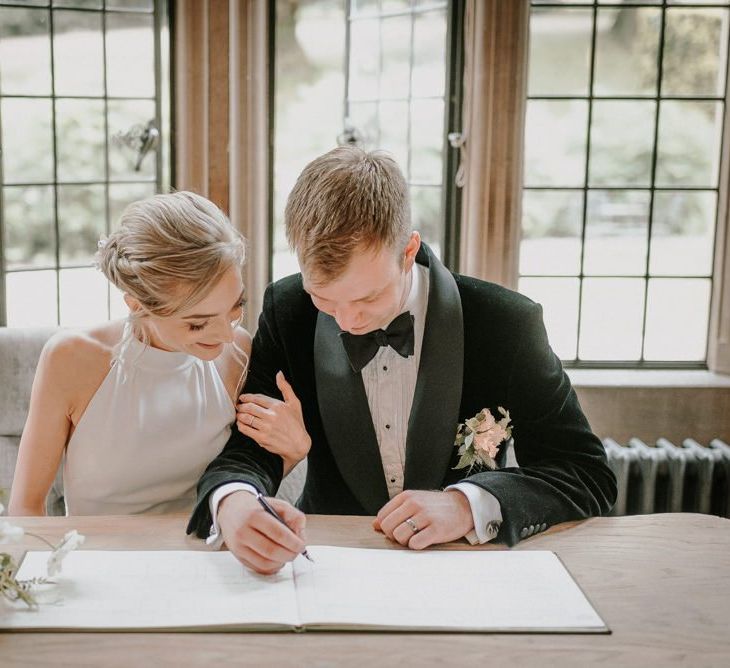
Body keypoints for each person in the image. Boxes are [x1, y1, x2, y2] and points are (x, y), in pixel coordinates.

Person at [187, 147, 617, 575]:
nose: (347, 320)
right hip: (326, 562)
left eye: (368, 297)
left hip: (464, 567)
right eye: (324, 297)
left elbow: (585, 473)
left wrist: (465, 504)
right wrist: (234, 501)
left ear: (408, 250)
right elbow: (247, 450)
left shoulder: (505, 324)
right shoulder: (288, 310)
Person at [8, 191, 306, 518]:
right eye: (197, 324)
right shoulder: (70, 359)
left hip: (208, 556)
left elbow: (242, 478)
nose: (225, 335)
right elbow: (26, 507)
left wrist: (291, 453)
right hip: (96, 560)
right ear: (137, 305)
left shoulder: (238, 352)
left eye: (235, 308)